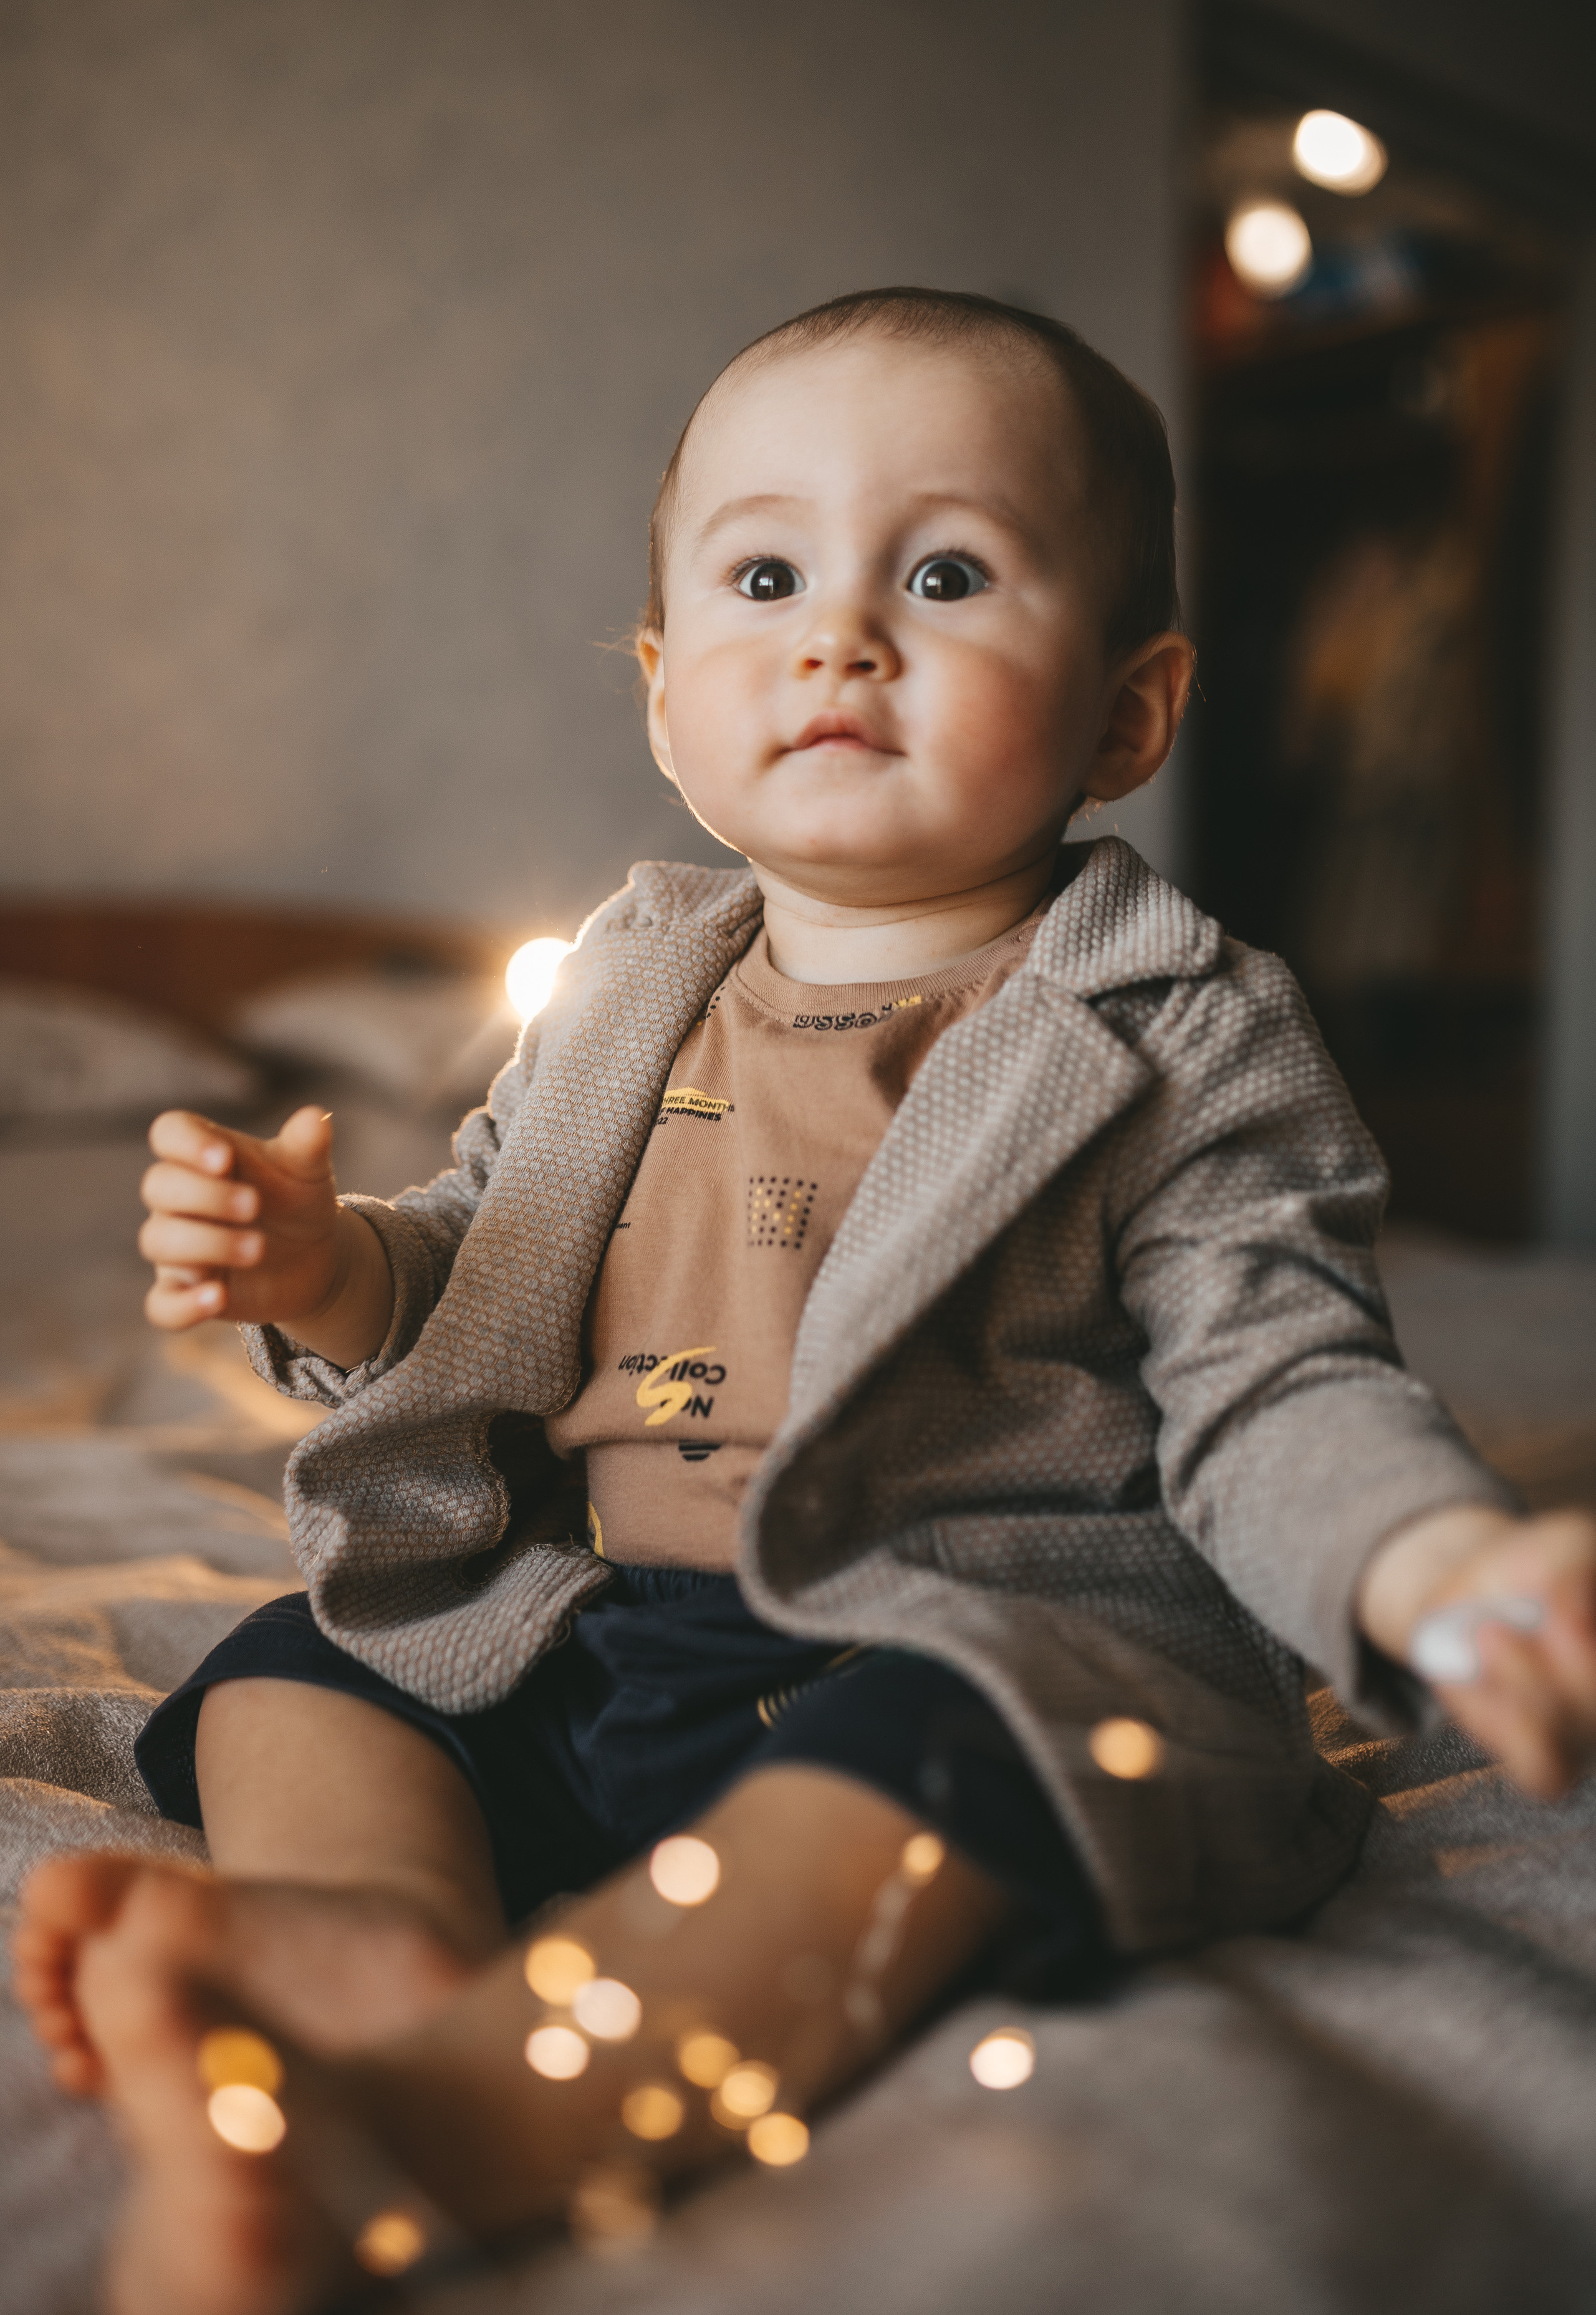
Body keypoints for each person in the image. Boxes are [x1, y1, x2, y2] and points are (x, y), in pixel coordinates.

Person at [14, 288, 1596, 2315]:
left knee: (940, 1769)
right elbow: (480, 1260)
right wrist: (329, 1266)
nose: (842, 634)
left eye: (945, 574)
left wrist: (1427, 1563)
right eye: (768, 576)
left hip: (954, 1631)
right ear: (673, 700)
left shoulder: (1179, 1024)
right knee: (308, 1660)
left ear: (1129, 709)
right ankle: (372, 1934)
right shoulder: (627, 971)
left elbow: (1277, 1376)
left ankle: (474, 2115)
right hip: (586, 1617)